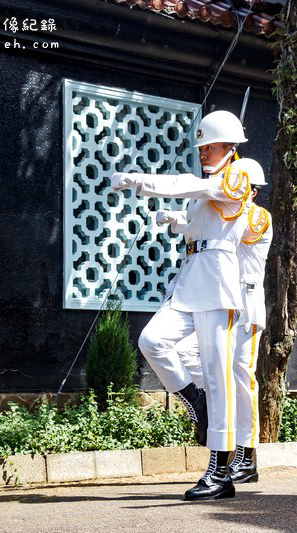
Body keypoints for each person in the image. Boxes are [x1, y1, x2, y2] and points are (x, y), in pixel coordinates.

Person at [110, 110, 251, 501]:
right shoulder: (208, 187)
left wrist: (142, 181)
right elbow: (199, 224)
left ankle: (220, 470)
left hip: (217, 288)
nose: (203, 152)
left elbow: (189, 186)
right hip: (189, 284)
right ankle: (193, 396)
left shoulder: (236, 177)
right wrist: (175, 220)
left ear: (229, 147)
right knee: (151, 341)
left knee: (219, 374)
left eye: (209, 146)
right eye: (201, 147)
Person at [158, 158, 272, 485]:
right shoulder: (224, 210)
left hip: (246, 305)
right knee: (195, 359)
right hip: (219, 301)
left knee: (241, 374)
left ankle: (247, 456)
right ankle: (210, 411)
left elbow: (242, 227)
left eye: (246, 186)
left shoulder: (258, 216)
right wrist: (179, 220)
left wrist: (218, 196)